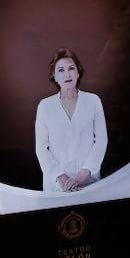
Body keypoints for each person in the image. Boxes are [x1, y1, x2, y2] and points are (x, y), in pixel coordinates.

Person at [35, 48, 108, 192]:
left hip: (89, 181)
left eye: (71, 68)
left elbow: (101, 140)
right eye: (61, 70)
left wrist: (84, 174)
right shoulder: (45, 106)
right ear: (54, 76)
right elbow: (41, 148)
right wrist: (62, 179)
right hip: (57, 186)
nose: (67, 74)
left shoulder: (93, 101)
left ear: (78, 72)